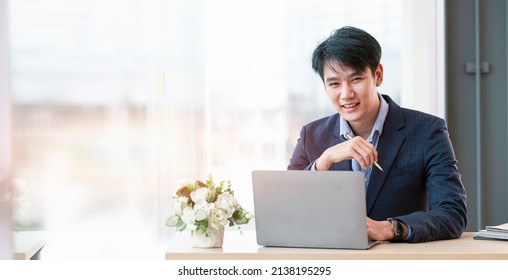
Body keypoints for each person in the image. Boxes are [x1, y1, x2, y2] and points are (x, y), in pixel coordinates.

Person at [288, 26, 467, 243]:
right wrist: (323, 161)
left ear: (378, 75)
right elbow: (288, 209)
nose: (346, 94)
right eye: (334, 83)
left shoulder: (428, 130)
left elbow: (452, 213)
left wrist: (391, 228)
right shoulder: (312, 135)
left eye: (356, 79)